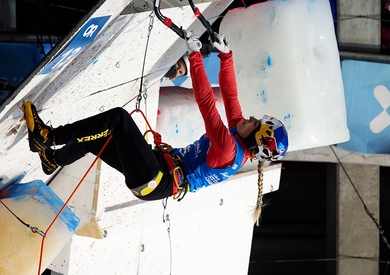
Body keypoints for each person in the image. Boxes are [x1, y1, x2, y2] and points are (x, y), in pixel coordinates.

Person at [23, 31, 289, 225]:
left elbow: (207, 103)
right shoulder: (238, 139)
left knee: (118, 120)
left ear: (257, 139)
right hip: (158, 173)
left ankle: (47, 138)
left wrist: (195, 57)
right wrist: (226, 56)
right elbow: (230, 97)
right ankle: (52, 159)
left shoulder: (229, 148)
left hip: (156, 179)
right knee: (98, 138)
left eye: (255, 123)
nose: (250, 118)